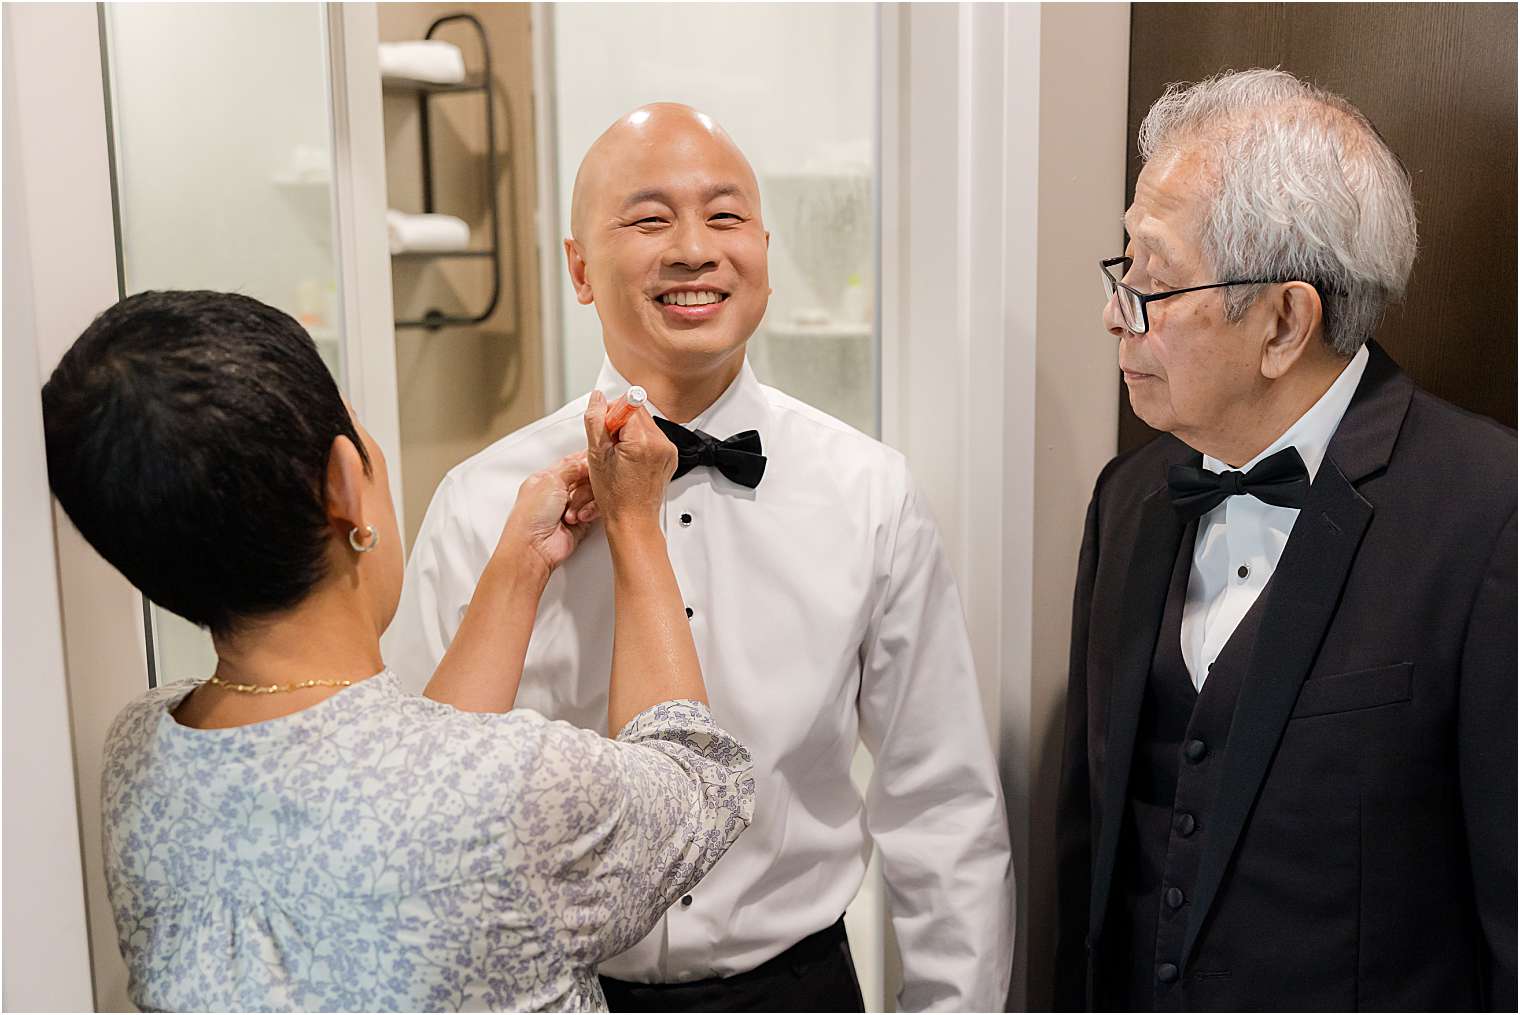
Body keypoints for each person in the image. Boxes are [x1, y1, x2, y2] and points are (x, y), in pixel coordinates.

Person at [386, 103, 1013, 1011]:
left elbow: (941, 802)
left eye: (725, 217)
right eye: (649, 220)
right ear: (579, 269)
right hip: (555, 990)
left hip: (797, 989)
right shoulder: (482, 502)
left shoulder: (870, 492)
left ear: (764, 251)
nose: (694, 249)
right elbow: (414, 798)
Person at [42, 289, 754, 1012]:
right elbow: (700, 782)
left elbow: (409, 780)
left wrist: (520, 568)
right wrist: (636, 524)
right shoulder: (521, 783)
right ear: (343, 485)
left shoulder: (140, 752)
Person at [1056, 69, 1516, 1011]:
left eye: (1154, 280)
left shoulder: (1491, 515)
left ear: (1284, 321)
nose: (1115, 310)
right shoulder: (1126, 497)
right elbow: (1088, 847)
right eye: (1124, 267)